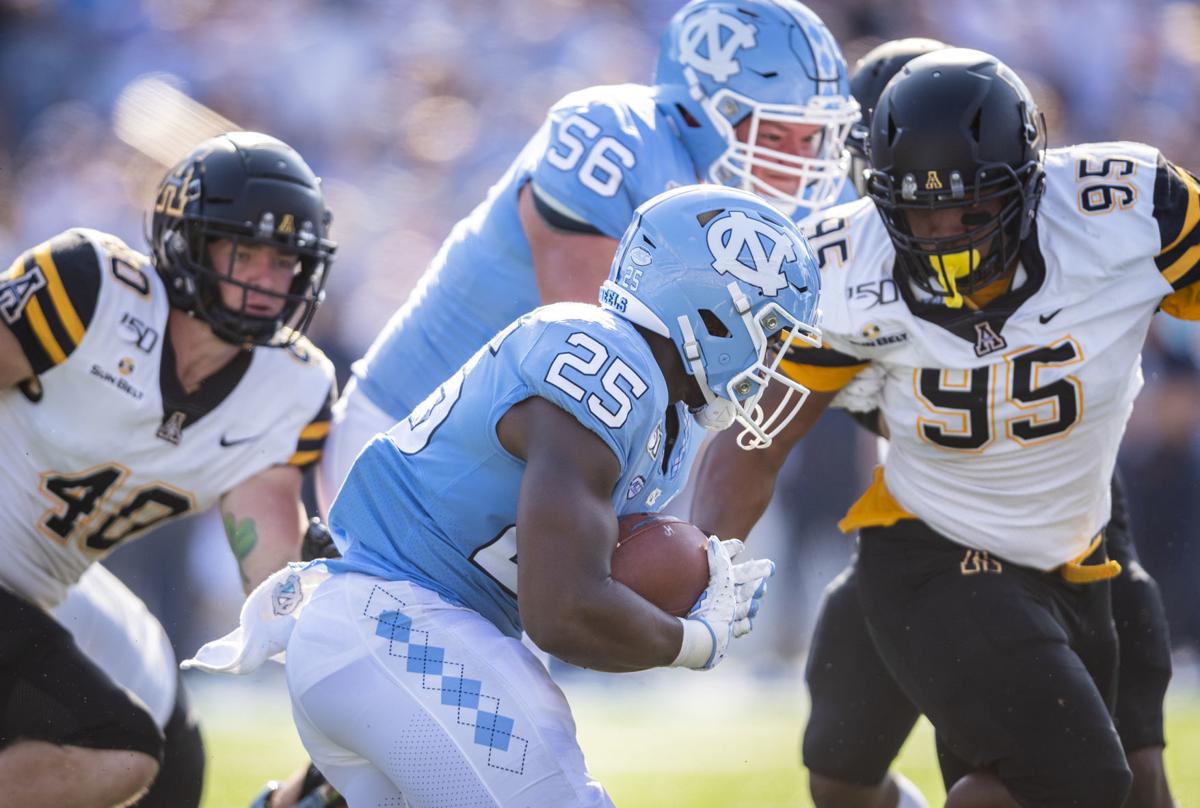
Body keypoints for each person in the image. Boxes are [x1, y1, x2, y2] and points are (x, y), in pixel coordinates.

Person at [188, 185, 822, 805]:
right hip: (393, 620)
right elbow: (563, 612)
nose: (770, 358)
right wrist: (694, 640)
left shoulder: (667, 418)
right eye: (766, 330)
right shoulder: (604, 360)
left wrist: (689, 591)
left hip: (411, 631)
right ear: (709, 311)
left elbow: (578, 597)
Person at [692, 46, 1200, 806]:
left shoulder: (1130, 208)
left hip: (1082, 533)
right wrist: (704, 561)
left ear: (1030, 179)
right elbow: (759, 438)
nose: (945, 233)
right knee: (1076, 779)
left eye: (971, 205)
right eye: (919, 210)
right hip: (938, 547)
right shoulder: (840, 265)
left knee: (1137, 785)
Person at [314, 0, 859, 517]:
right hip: (417, 441)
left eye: (814, 137)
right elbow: (590, 357)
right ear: (700, 113)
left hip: (570, 460)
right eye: (776, 132)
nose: (798, 162)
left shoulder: (791, 208)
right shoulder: (614, 137)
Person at [0, 131, 337, 808]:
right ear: (189, 240)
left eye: (286, 261)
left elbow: (265, 552)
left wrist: (324, 604)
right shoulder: (91, 287)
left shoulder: (294, 388)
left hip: (46, 583)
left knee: (172, 762)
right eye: (248, 252)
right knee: (114, 747)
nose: (269, 280)